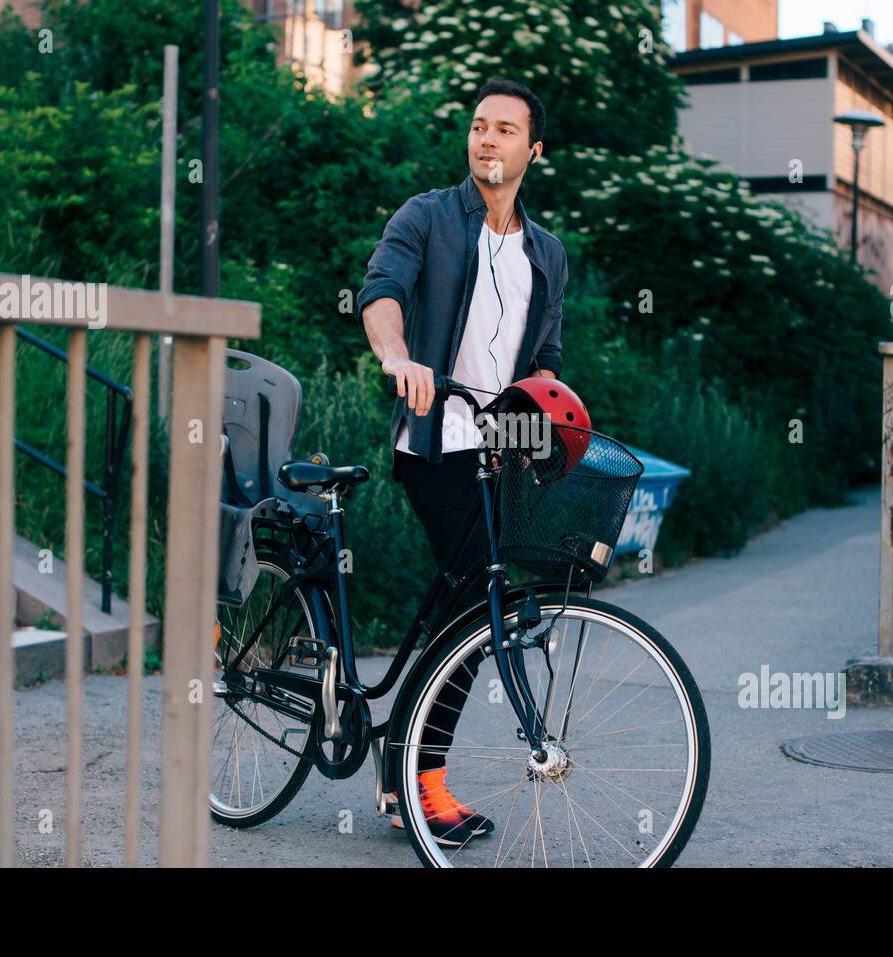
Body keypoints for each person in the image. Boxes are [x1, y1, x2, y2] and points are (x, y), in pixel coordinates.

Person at [356, 77, 568, 845]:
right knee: (481, 606)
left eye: (506, 130)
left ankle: (403, 768)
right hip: (434, 443)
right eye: (479, 125)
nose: (488, 139)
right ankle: (420, 782)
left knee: (466, 613)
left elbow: (544, 360)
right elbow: (380, 290)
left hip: (497, 457)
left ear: (533, 150)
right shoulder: (428, 218)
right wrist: (398, 357)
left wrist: (557, 419)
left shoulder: (547, 255)